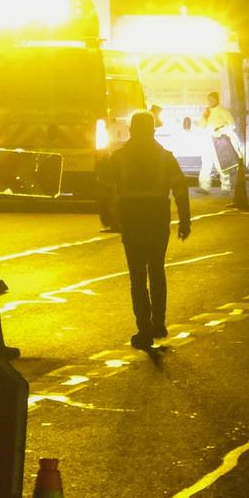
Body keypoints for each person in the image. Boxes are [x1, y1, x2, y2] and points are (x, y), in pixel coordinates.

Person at [111, 109, 191, 350]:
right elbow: (180, 189)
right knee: (156, 270)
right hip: (157, 218)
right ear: (153, 130)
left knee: (137, 276)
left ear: (131, 130)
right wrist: (185, 221)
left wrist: (110, 216)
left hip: (132, 219)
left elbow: (105, 188)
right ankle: (159, 323)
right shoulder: (165, 157)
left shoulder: (119, 157)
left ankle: (143, 329)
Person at [199, 91, 237, 190]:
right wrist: (204, 117)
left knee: (222, 166)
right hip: (207, 142)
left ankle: (226, 187)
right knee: (206, 165)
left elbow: (232, 125)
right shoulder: (207, 112)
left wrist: (220, 130)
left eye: (212, 99)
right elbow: (201, 126)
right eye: (209, 100)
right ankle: (204, 187)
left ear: (216, 100)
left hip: (220, 142)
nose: (210, 102)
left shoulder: (224, 112)